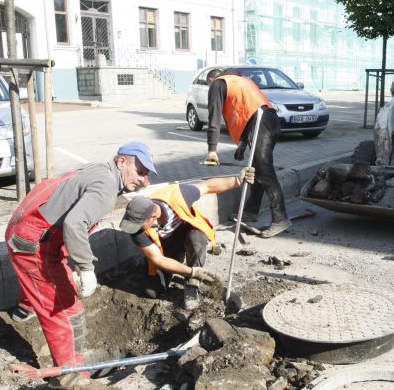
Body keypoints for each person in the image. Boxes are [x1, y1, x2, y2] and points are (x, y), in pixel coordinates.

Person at [4, 141, 156, 390]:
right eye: (140, 172)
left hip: (35, 236)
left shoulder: (99, 171)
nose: (144, 181)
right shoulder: (107, 187)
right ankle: (70, 382)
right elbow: (75, 222)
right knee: (59, 312)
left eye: (147, 175)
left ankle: (73, 360)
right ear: (122, 162)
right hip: (33, 244)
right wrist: (86, 267)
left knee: (73, 308)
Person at [120, 167, 254, 310]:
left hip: (185, 235)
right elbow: (158, 259)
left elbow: (208, 186)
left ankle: (192, 284)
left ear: (153, 216)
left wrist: (237, 180)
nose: (135, 228)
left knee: (197, 237)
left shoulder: (178, 195)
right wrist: (192, 271)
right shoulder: (137, 228)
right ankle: (179, 265)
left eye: (139, 224)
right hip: (165, 249)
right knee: (151, 292)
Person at [203, 69, 290, 238]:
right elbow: (246, 110)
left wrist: (212, 150)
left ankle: (280, 219)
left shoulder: (218, 83)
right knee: (256, 170)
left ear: (212, 79)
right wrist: (242, 145)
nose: (210, 89)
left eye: (209, 84)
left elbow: (214, 118)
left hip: (261, 122)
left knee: (265, 171)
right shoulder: (239, 81)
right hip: (268, 120)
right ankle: (251, 211)